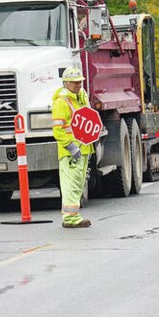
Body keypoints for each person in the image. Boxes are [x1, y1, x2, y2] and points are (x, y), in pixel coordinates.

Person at [52, 67, 94, 228]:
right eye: (75, 82)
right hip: (71, 151)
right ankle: (70, 218)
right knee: (71, 184)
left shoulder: (80, 97)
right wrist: (70, 147)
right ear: (66, 83)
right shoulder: (61, 102)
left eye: (80, 82)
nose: (78, 85)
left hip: (83, 148)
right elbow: (58, 129)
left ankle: (73, 216)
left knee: (78, 183)